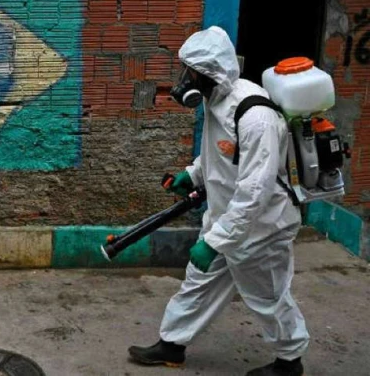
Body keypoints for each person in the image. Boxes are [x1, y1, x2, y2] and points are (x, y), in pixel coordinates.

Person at [128, 26, 308, 376]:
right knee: (198, 282)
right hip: (227, 218)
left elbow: (255, 192)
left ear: (210, 73)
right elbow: (221, 153)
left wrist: (215, 242)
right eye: (185, 70)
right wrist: (193, 174)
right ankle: (172, 344)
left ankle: (290, 362)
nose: (184, 79)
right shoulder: (216, 100)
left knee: (268, 297)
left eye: (190, 72)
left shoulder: (256, 116)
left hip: (261, 228)